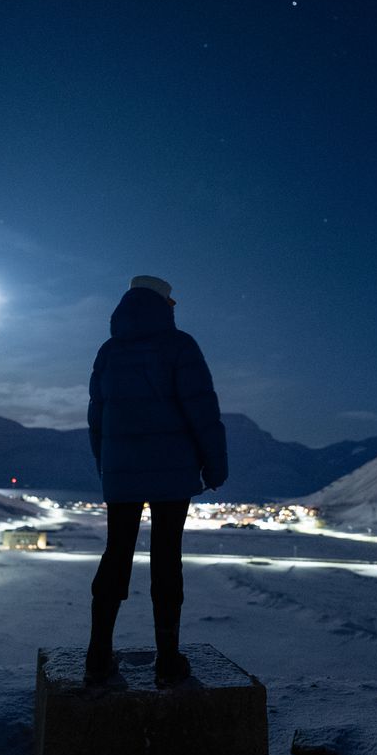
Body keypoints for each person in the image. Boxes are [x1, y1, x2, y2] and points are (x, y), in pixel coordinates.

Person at [85, 275, 228, 686]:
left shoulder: (108, 351)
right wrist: (214, 467)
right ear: (165, 305)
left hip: (120, 473)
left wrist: (107, 467)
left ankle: (97, 656)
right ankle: (168, 660)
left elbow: (96, 419)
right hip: (173, 473)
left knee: (116, 554)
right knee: (167, 557)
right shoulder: (180, 346)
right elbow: (202, 411)